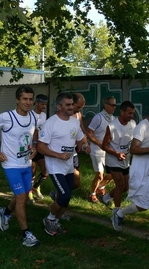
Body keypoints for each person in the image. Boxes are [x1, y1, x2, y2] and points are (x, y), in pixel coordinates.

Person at [111, 102, 149, 246]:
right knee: (143, 206)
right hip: (141, 169)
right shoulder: (142, 127)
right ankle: (119, 213)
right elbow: (133, 149)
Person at [0, 85, 40, 247]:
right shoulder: (7, 117)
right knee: (20, 197)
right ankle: (26, 234)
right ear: (17, 100)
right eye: (24, 99)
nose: (28, 102)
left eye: (30, 99)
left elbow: (34, 132)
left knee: (24, 197)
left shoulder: (33, 116)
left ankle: (5, 213)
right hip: (10, 164)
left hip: (26, 163)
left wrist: (34, 145)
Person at [38, 92, 91, 236]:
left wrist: (85, 146)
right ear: (59, 106)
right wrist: (58, 155)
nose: (71, 107)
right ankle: (49, 220)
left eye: (72, 104)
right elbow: (40, 146)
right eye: (68, 105)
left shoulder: (74, 121)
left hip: (68, 166)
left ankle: (55, 221)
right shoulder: (51, 123)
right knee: (65, 195)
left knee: (66, 198)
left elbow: (81, 138)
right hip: (55, 166)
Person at [101, 101, 136, 209]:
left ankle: (106, 197)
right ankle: (116, 212)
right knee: (120, 185)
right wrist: (116, 153)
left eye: (132, 113)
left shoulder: (133, 123)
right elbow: (104, 146)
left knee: (125, 187)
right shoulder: (112, 126)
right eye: (129, 113)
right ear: (122, 112)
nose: (132, 116)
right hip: (113, 160)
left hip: (126, 160)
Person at [86, 96, 117, 203]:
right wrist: (98, 143)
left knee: (113, 174)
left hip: (108, 150)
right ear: (105, 105)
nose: (114, 107)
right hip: (96, 149)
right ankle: (92, 194)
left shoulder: (113, 119)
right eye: (112, 105)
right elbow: (89, 133)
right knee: (100, 174)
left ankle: (101, 187)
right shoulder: (98, 117)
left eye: (115, 105)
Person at [29, 94, 49, 202]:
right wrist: (33, 144)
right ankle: (29, 192)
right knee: (32, 170)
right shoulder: (30, 114)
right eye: (42, 104)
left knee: (46, 170)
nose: (44, 106)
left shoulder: (44, 115)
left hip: (41, 146)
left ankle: (36, 187)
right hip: (31, 146)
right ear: (36, 103)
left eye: (45, 104)